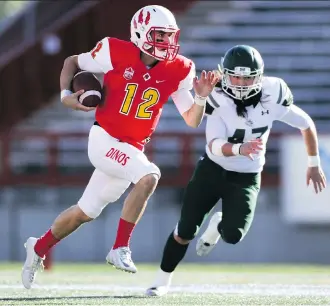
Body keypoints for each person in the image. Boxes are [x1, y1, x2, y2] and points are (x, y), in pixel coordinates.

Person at [21, 5, 219, 289]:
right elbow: (71, 62)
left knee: (85, 212)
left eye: (169, 36)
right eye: (160, 36)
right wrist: (66, 96)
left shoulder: (180, 68)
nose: (166, 42)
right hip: (105, 140)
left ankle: (37, 248)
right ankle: (120, 247)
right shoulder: (114, 51)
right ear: (140, 33)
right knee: (149, 176)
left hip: (131, 147)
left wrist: (200, 98)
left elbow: (191, 120)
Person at [146, 44, 327, 297]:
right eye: (236, 76)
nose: (241, 82)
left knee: (233, 235)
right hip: (212, 170)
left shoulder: (273, 95)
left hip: (247, 177)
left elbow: (306, 124)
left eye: (248, 77)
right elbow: (215, 145)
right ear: (225, 74)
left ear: (259, 77)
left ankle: (219, 224)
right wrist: (241, 149)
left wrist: (314, 163)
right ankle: (161, 280)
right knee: (185, 230)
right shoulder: (216, 95)